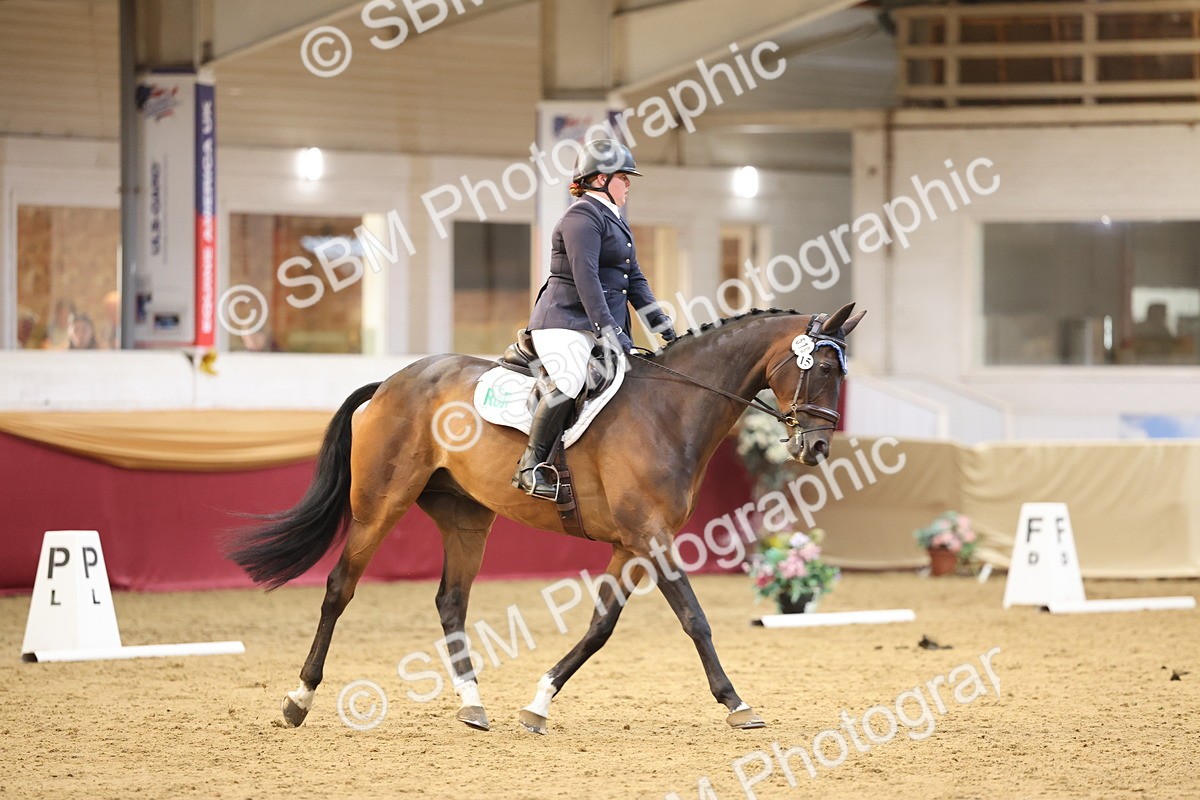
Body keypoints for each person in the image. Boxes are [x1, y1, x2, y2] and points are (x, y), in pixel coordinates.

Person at [512, 138, 677, 500]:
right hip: (564, 322)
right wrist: (608, 329)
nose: (628, 184)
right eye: (623, 177)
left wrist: (664, 330)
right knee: (570, 381)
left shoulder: (615, 221)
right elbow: (586, 277)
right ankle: (530, 466)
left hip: (598, 326)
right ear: (600, 179)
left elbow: (635, 281)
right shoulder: (581, 218)